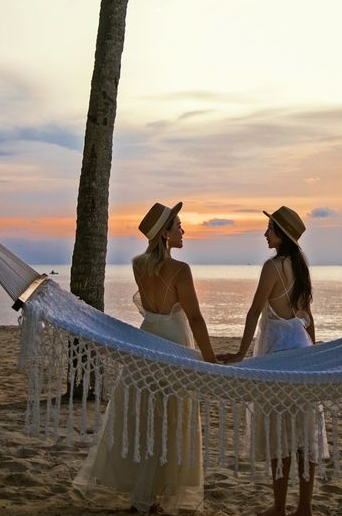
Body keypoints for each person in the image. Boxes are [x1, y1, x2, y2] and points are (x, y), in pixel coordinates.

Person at [74, 201, 217, 514]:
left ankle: (144, 495)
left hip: (146, 340)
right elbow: (194, 317)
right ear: (165, 234)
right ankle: (157, 494)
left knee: (144, 416)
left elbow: (154, 308)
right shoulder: (181, 269)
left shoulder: (139, 265)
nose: (183, 230)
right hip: (174, 344)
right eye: (178, 226)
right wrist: (210, 360)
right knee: (171, 417)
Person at [221, 206, 326, 516]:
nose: (265, 233)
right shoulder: (300, 266)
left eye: (270, 229)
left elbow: (254, 311)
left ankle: (279, 507)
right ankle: (304, 508)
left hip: (279, 354)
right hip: (302, 350)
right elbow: (308, 316)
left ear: (282, 235)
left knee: (280, 433)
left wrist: (241, 353)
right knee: (305, 433)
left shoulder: (272, 267)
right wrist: (316, 352)